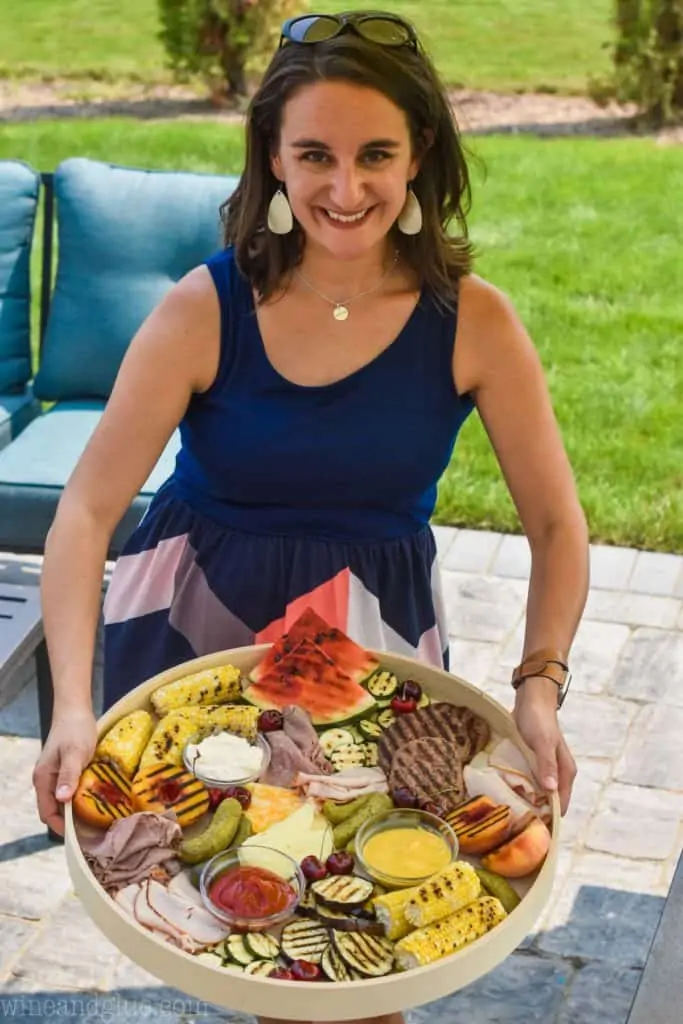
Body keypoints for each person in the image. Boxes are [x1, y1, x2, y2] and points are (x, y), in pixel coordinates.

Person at [34, 10, 588, 1024]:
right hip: (196, 629)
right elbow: (86, 510)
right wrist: (72, 706)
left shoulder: (474, 322)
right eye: (314, 155)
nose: (344, 189)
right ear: (272, 161)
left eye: (375, 154)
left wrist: (537, 686)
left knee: (361, 954)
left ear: (419, 153)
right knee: (268, 951)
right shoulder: (203, 309)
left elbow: (556, 526)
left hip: (370, 644)